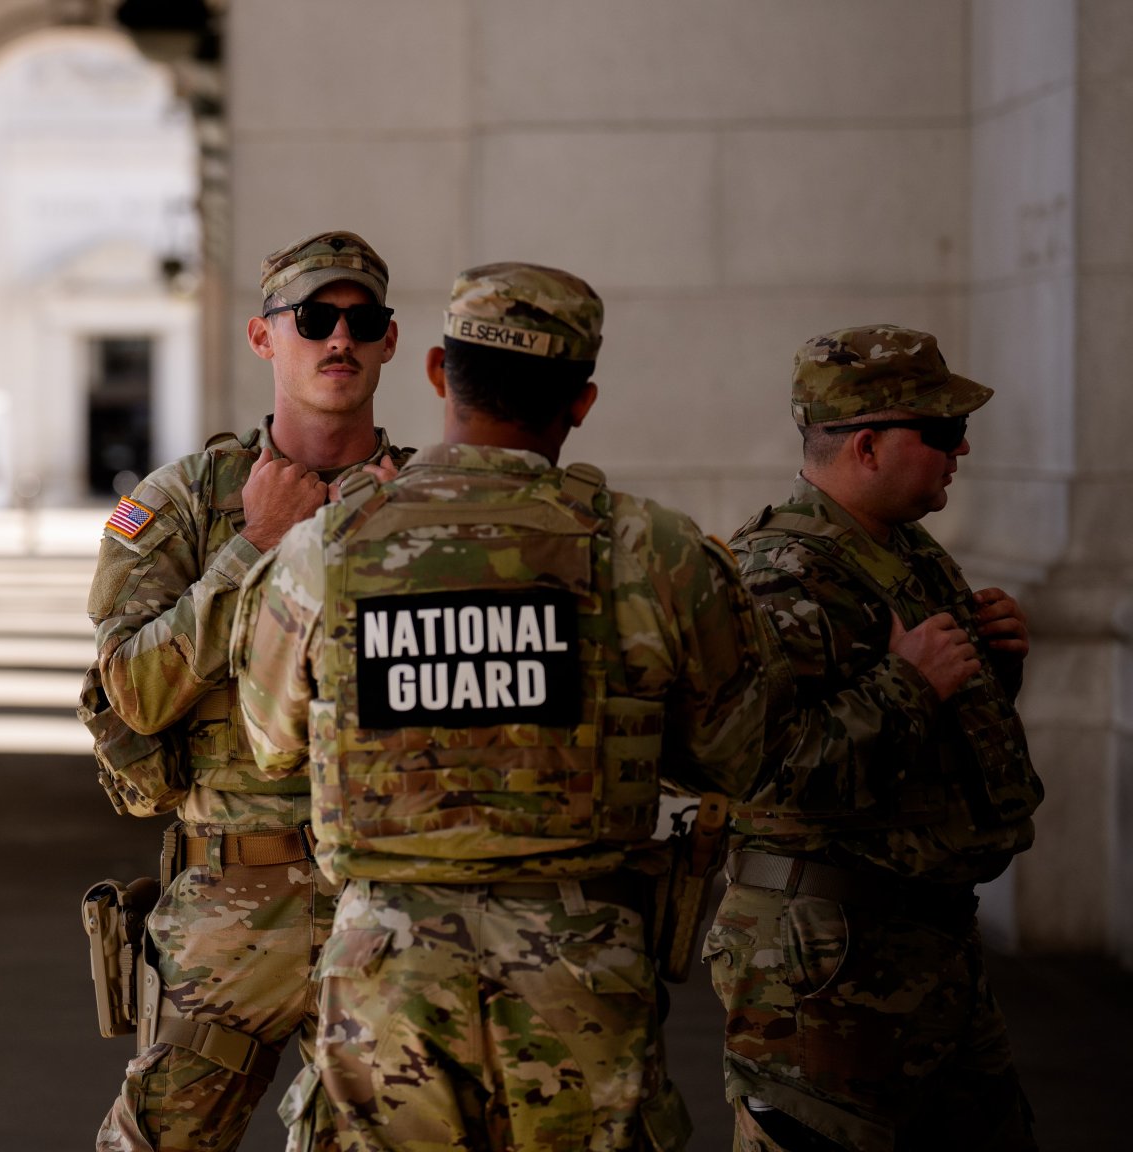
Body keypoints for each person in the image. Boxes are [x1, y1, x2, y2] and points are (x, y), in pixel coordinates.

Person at [234, 262, 774, 1151]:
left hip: (385, 971)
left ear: (440, 371)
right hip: (579, 965)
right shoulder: (656, 549)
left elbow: (271, 741)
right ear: (583, 400)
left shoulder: (323, 549)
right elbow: (739, 755)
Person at [89, 230, 409, 1152]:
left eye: (362, 321)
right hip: (233, 896)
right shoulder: (181, 505)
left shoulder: (428, 500)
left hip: (390, 902)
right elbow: (134, 695)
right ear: (265, 339)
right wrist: (255, 546)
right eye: (314, 319)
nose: (338, 339)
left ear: (391, 342)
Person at [705, 326, 1044, 1152]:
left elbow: (932, 749)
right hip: (825, 970)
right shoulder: (779, 575)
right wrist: (908, 683)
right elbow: (762, 770)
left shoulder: (903, 552)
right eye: (939, 431)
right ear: (867, 445)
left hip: (929, 954)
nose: (960, 448)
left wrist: (992, 667)